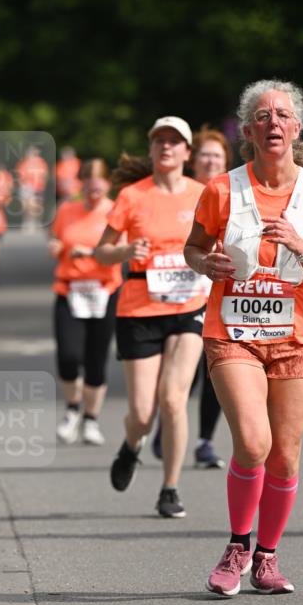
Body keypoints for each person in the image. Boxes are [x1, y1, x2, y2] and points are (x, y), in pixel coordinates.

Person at [184, 80, 303, 596]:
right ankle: (237, 545)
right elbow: (192, 249)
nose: (272, 121)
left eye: (282, 114)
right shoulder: (221, 190)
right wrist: (204, 262)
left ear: (296, 128)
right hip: (233, 332)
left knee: (285, 456)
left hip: (296, 338)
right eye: (261, 115)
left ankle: (268, 558)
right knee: (253, 443)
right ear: (248, 130)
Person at [95, 116, 206, 518]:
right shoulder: (132, 196)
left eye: (175, 141)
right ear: (152, 148)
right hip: (139, 309)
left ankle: (170, 487)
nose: (166, 147)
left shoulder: (203, 194)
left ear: (187, 153)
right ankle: (131, 445)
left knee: (174, 399)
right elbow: (100, 252)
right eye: (159, 140)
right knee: (142, 414)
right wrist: (125, 253)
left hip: (188, 307)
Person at [151, 126, 233, 468]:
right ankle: (167, 421)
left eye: (218, 155)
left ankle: (203, 440)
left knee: (216, 371)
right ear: (193, 159)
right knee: (185, 373)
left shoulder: (232, 192)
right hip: (180, 297)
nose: (212, 161)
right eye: (206, 155)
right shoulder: (180, 194)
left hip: (219, 295)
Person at [49, 159, 121, 446]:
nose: (94, 189)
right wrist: (55, 247)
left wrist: (90, 253)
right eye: (89, 183)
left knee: (96, 357)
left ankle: (91, 419)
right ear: (82, 185)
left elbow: (120, 252)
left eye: (99, 183)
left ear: (108, 184)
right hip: (69, 290)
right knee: (68, 355)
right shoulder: (67, 210)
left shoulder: (115, 211)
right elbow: (57, 239)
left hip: (104, 291)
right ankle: (71, 410)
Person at [16, 145, 49, 231]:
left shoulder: (41, 162)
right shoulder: (24, 162)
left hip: (38, 187)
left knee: (37, 206)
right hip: (27, 187)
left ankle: (37, 222)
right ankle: (27, 223)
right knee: (27, 206)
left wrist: (41, 184)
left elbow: (44, 174)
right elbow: (20, 175)